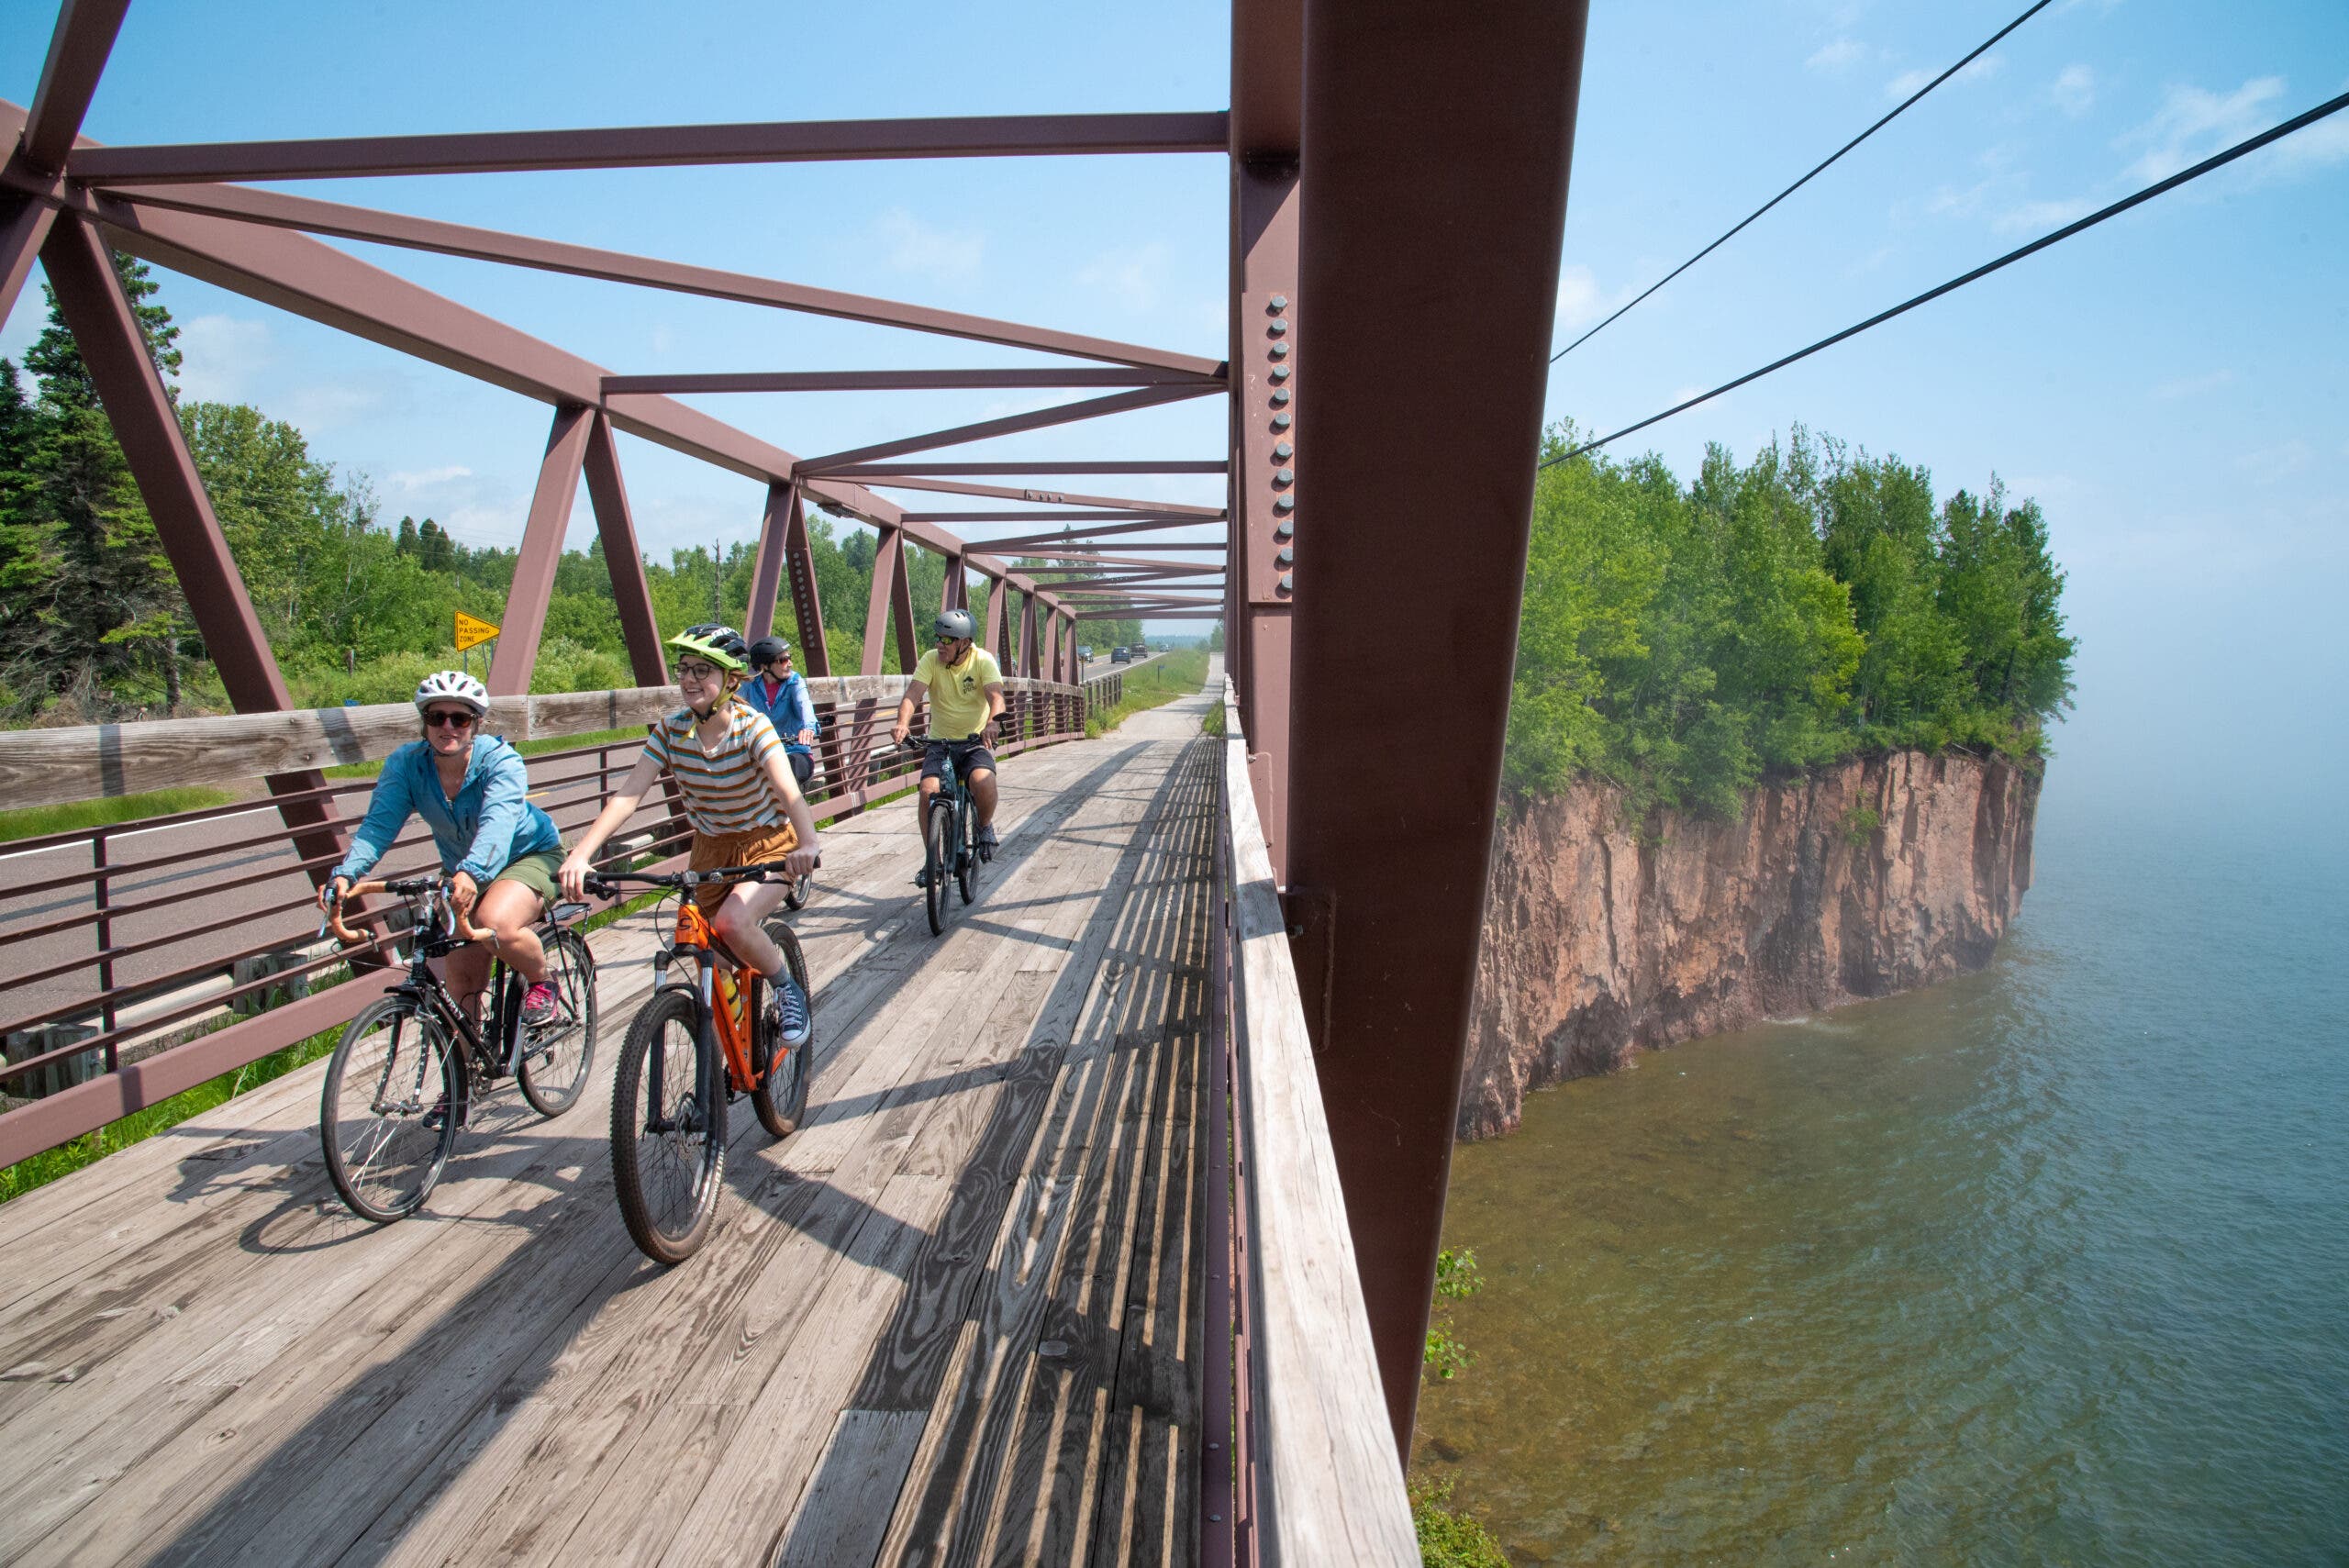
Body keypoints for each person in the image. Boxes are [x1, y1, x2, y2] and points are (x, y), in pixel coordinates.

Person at [558, 624, 817, 1046]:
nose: (690, 680)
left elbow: (789, 792)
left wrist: (809, 844)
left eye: (703, 670)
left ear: (731, 679)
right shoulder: (671, 730)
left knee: (733, 922)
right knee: (707, 954)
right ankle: (738, 1042)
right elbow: (628, 796)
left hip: (767, 842)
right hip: (710, 851)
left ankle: (787, 989)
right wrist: (582, 854)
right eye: (683, 670)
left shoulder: (753, 728)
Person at [319, 670, 567, 1029]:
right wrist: (346, 874)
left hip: (527, 855)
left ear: (476, 724)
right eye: (437, 717)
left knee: (494, 923)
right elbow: (377, 827)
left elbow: (498, 824)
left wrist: (472, 872)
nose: (448, 726)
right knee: (460, 984)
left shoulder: (500, 762)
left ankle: (543, 980)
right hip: (463, 870)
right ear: (424, 722)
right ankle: (465, 1080)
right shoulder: (406, 765)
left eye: (460, 718)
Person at [890, 607, 1006, 887]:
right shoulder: (931, 660)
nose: (939, 644)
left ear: (964, 643)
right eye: (937, 638)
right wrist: (902, 723)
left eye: (946, 640)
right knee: (927, 792)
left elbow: (997, 698)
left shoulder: (982, 661)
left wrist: (992, 723)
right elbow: (913, 694)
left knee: (983, 780)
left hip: (973, 742)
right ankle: (934, 862)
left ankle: (984, 825)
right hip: (939, 743)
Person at [741, 634, 820, 794]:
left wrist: (808, 728)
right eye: (783, 660)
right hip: (763, 752)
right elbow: (734, 707)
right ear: (765, 666)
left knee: (788, 772)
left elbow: (804, 705)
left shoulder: (795, 682)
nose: (789, 663)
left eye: (789, 658)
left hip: (794, 751)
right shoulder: (749, 685)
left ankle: (794, 816)